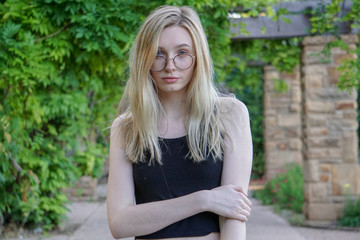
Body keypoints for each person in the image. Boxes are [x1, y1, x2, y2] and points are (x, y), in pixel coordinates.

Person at [107, 5, 253, 240]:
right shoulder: (127, 128)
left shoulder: (230, 115)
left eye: (182, 53)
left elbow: (234, 215)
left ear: (199, 57)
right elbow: (120, 224)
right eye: (158, 53)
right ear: (144, 58)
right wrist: (204, 199)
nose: (170, 65)